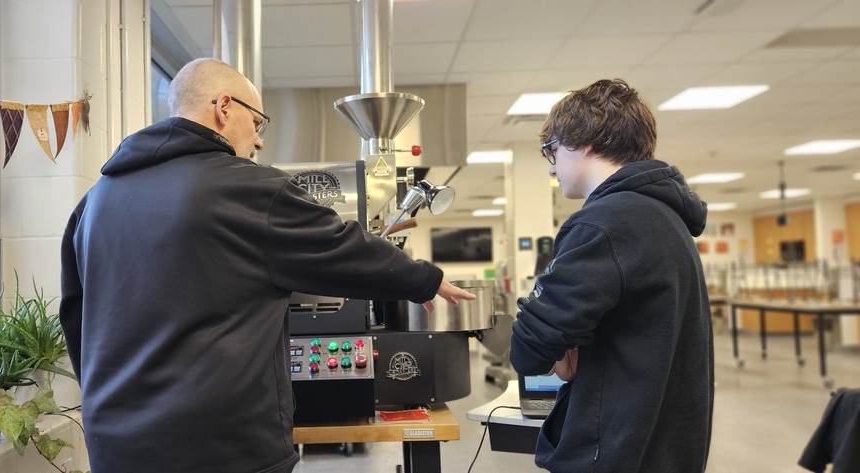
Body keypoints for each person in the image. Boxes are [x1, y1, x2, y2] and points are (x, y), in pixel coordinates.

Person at [59, 58, 474, 473]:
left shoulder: (93, 203)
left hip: (115, 447)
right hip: (221, 447)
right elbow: (342, 248)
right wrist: (424, 278)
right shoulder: (244, 187)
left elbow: (77, 323)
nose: (258, 142)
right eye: (257, 123)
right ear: (224, 107)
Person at [509, 79, 713, 472]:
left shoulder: (603, 223)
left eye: (551, 151)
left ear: (580, 140)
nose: (552, 168)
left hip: (614, 452)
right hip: (662, 447)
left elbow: (529, 349)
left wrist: (560, 352)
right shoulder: (665, 217)